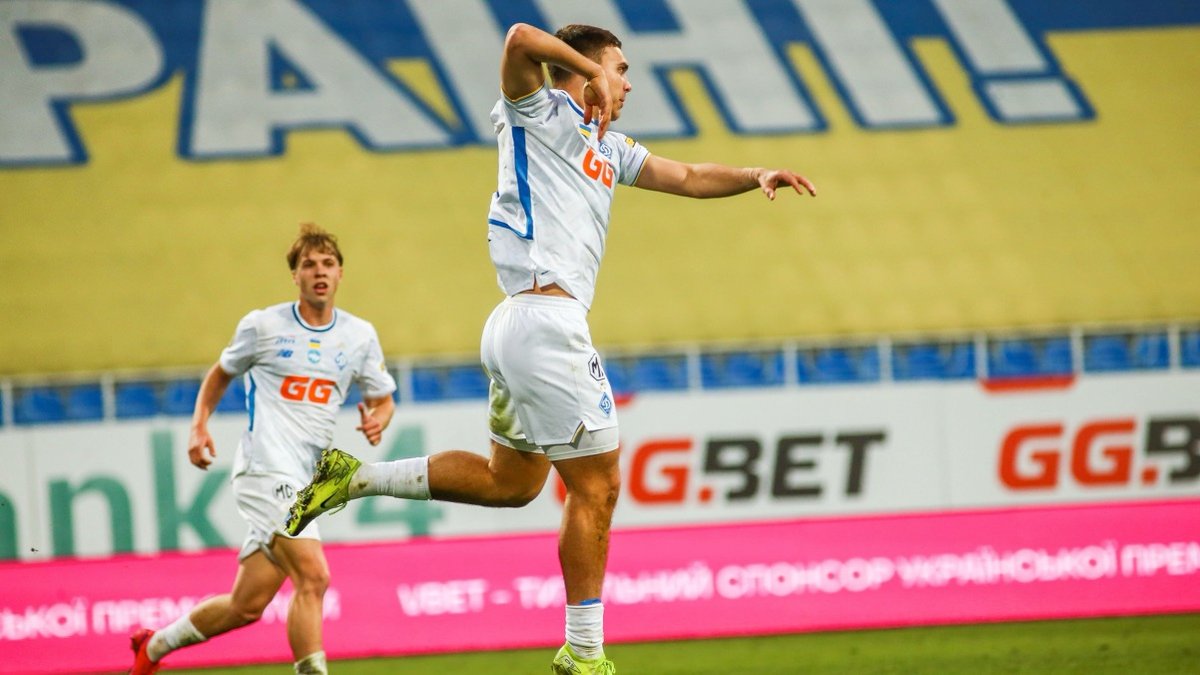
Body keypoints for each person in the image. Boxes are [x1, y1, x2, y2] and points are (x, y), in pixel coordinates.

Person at [285, 23, 815, 675]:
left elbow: (689, 176)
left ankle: (354, 477)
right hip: (545, 321)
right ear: (583, 70)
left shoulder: (606, 145)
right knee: (600, 484)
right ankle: (585, 652)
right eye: (619, 69)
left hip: (520, 324)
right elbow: (518, 39)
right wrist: (587, 73)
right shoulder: (537, 111)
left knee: (512, 483)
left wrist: (756, 174)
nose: (626, 84)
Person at [129, 224, 397, 675]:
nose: (319, 272)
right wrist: (198, 426)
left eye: (328, 264)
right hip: (264, 470)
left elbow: (383, 398)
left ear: (340, 274)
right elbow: (221, 372)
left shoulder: (359, 335)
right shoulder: (263, 326)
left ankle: (152, 646)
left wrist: (378, 419)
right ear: (295, 275)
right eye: (308, 265)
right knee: (314, 576)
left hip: (306, 482)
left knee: (245, 605)